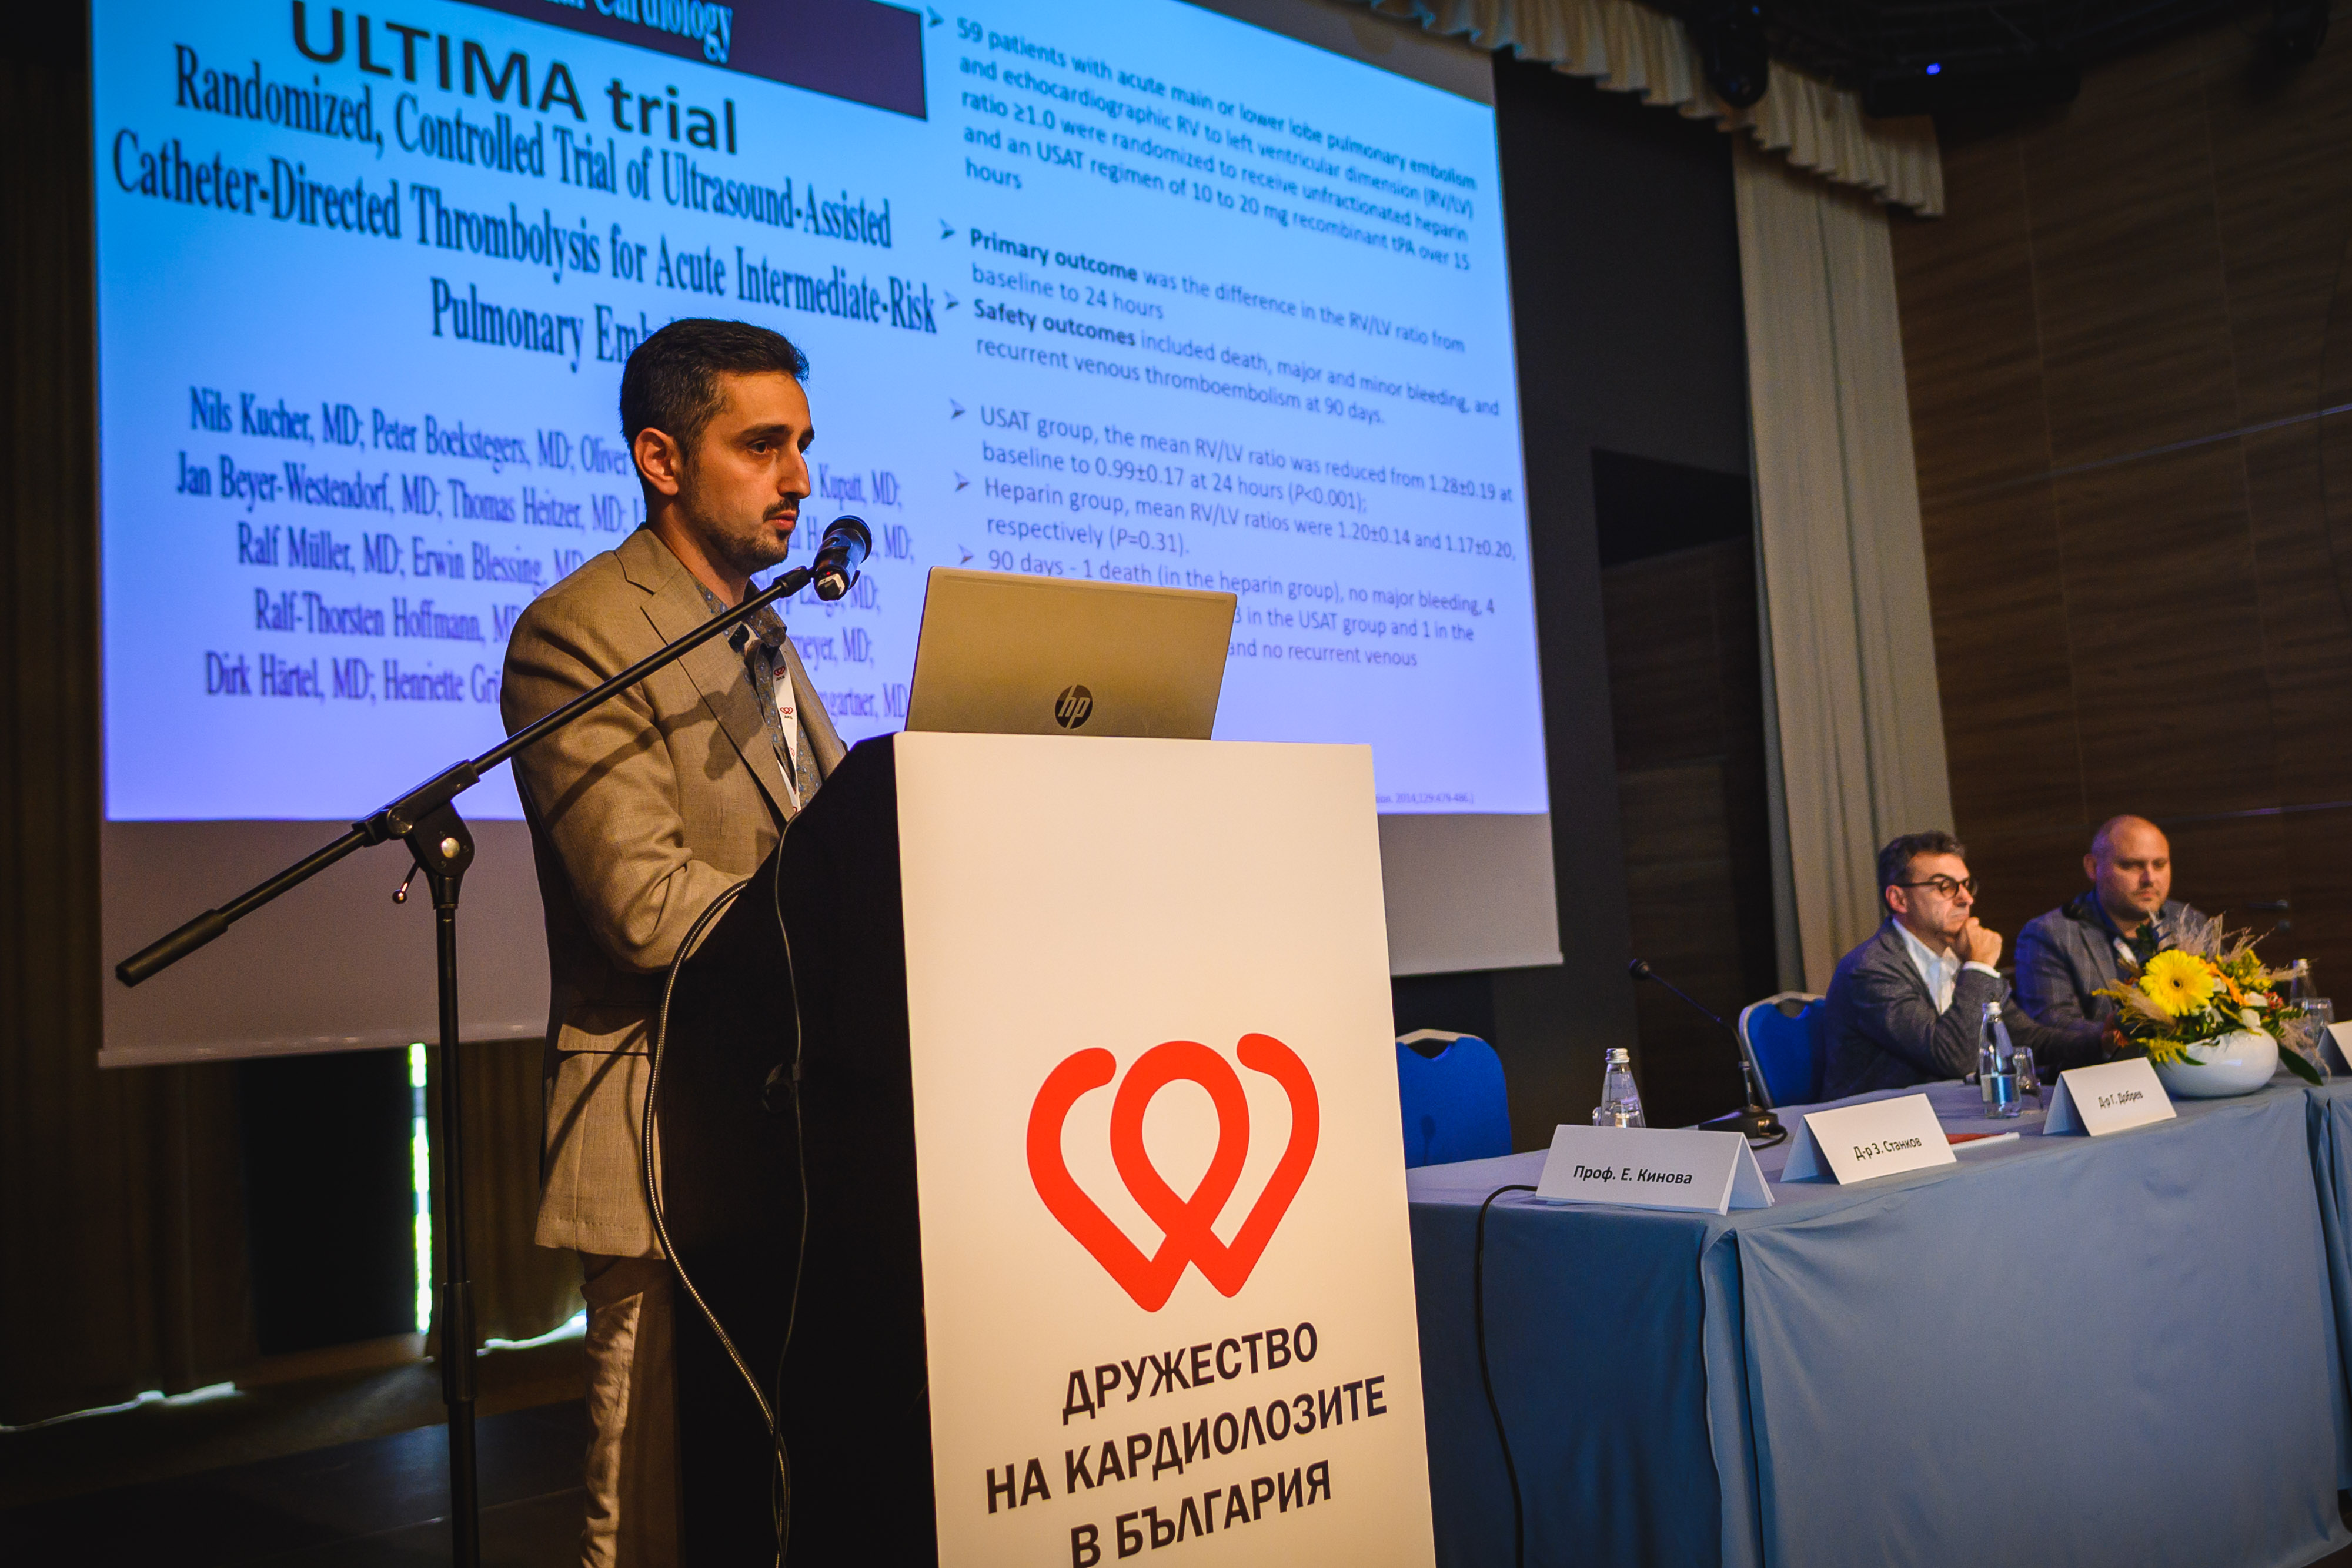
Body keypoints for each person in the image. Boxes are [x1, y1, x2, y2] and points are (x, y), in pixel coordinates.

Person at [500, 318, 844, 1567]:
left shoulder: (762, 630)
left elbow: (822, 840)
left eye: (802, 445)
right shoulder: (580, 631)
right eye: (762, 446)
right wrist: (846, 932)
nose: (798, 477)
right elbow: (645, 901)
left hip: (791, 1143)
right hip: (661, 1143)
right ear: (661, 458)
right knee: (648, 1521)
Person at [1821, 830, 2099, 1098]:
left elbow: (2026, 1037)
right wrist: (1978, 967)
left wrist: (2103, 1042)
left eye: (1966, 885)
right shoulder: (1870, 968)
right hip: (1886, 1121)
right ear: (1899, 899)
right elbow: (1953, 1057)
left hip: (1955, 1110)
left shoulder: (1957, 955)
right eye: (1945, 886)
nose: (1967, 898)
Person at [2013, 814, 2206, 1052]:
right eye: (2132, 866)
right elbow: (2052, 1024)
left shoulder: (2190, 922)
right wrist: (2129, 1032)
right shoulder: (2049, 934)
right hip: (2101, 1067)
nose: (2150, 879)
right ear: (2093, 868)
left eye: (2159, 865)